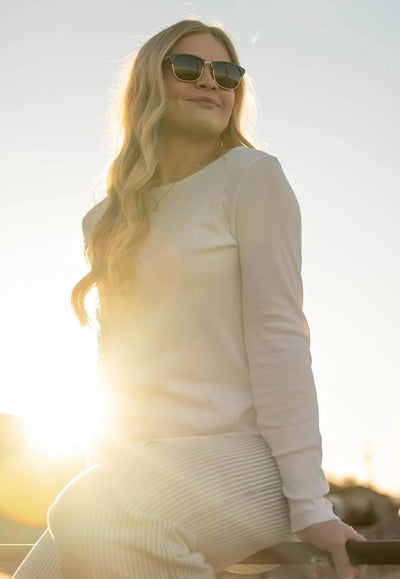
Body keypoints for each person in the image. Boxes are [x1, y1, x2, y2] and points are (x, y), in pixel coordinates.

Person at [13, 18, 365, 579]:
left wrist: (310, 504)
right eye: (187, 67)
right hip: (144, 474)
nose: (209, 82)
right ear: (147, 86)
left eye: (226, 73)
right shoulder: (105, 221)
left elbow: (280, 339)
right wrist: (101, 482)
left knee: (91, 513)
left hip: (251, 462)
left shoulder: (252, 177)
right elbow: (116, 374)